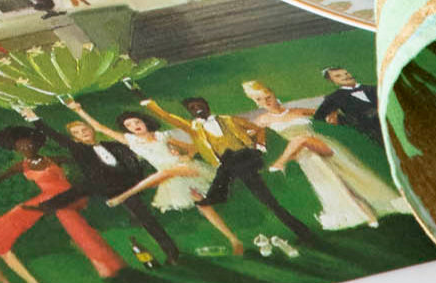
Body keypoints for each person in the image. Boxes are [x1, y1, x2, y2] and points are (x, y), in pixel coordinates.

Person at [70, 104, 242, 255]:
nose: (134, 126)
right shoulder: (131, 141)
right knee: (203, 205)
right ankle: (233, 240)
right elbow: (99, 128)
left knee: (165, 173)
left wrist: (186, 156)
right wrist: (79, 110)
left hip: (186, 170)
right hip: (172, 175)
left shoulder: (162, 136)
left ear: (145, 122)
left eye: (137, 122)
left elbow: (194, 146)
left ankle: (124, 196)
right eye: (129, 125)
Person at [145, 96, 314, 244]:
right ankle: (216, 197)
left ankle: (217, 195)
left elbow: (257, 129)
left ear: (207, 106)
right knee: (255, 196)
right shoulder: (193, 129)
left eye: (199, 105)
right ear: (189, 112)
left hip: (244, 159)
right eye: (192, 108)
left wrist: (260, 146)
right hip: (226, 164)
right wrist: (149, 104)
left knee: (265, 198)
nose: (197, 109)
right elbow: (167, 117)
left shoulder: (228, 119)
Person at [242, 81, 408, 230]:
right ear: (255, 102)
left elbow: (326, 111)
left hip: (321, 145)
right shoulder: (262, 120)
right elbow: (252, 140)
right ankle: (368, 216)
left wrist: (332, 115)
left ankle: (280, 163)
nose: (266, 102)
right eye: (259, 100)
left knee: (303, 139)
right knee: (338, 184)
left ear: (273, 93)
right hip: (305, 156)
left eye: (267, 97)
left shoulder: (296, 111)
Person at [0, 125, 124, 279]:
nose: (27, 148)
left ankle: (109, 266)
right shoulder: (21, 166)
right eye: (22, 147)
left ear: (36, 144)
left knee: (28, 211)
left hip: (68, 195)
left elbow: (85, 161)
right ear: (16, 150)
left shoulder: (54, 160)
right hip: (49, 198)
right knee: (71, 227)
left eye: (29, 144)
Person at [30, 106, 181, 263]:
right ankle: (46, 206)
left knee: (146, 218)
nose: (83, 134)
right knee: (80, 188)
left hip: (123, 186)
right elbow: (55, 136)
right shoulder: (78, 148)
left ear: (92, 130)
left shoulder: (114, 145)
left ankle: (172, 253)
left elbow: (134, 162)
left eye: (85, 130)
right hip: (99, 184)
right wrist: (34, 119)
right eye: (78, 133)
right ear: (75, 138)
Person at [315, 67, 384, 146]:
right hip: (370, 132)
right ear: (331, 80)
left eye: (346, 73)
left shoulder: (373, 88)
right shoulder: (334, 97)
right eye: (338, 76)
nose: (345, 77)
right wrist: (341, 120)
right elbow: (318, 118)